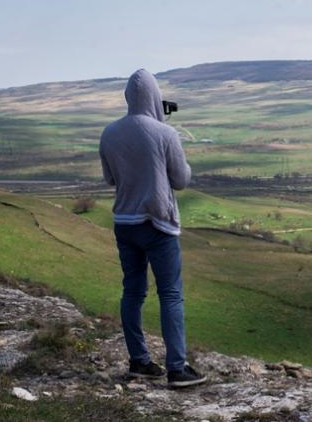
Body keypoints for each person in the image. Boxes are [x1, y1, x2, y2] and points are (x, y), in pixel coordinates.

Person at [99, 68, 207, 388]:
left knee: (132, 292)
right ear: (155, 98)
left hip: (124, 223)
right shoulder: (165, 133)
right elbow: (181, 180)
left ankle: (139, 361)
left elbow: (110, 179)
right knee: (170, 294)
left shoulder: (109, 133)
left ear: (129, 98)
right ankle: (177, 369)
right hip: (158, 224)